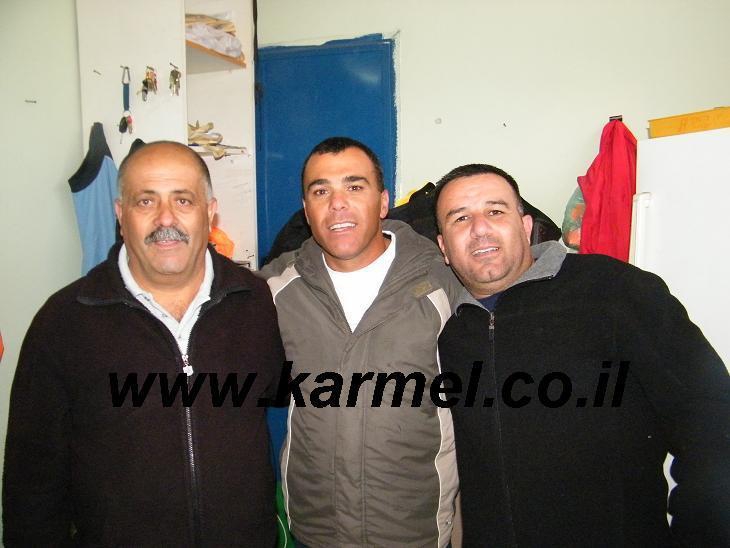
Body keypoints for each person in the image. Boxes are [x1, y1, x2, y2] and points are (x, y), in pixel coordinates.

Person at [3, 141, 285, 546]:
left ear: (209, 213)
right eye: (146, 201)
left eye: (183, 200)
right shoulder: (63, 322)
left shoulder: (255, 302)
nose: (165, 218)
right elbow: (32, 481)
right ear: (121, 215)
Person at [434, 163, 730, 547]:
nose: (480, 228)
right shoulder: (450, 334)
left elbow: (712, 421)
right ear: (444, 247)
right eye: (460, 218)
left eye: (495, 211)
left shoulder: (615, 292)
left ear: (525, 226)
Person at [261, 137, 462, 547]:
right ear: (306, 210)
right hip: (316, 531)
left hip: (413, 532)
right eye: (321, 191)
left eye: (354, 186)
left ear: (383, 202)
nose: (338, 204)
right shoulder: (276, 288)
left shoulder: (444, 281)